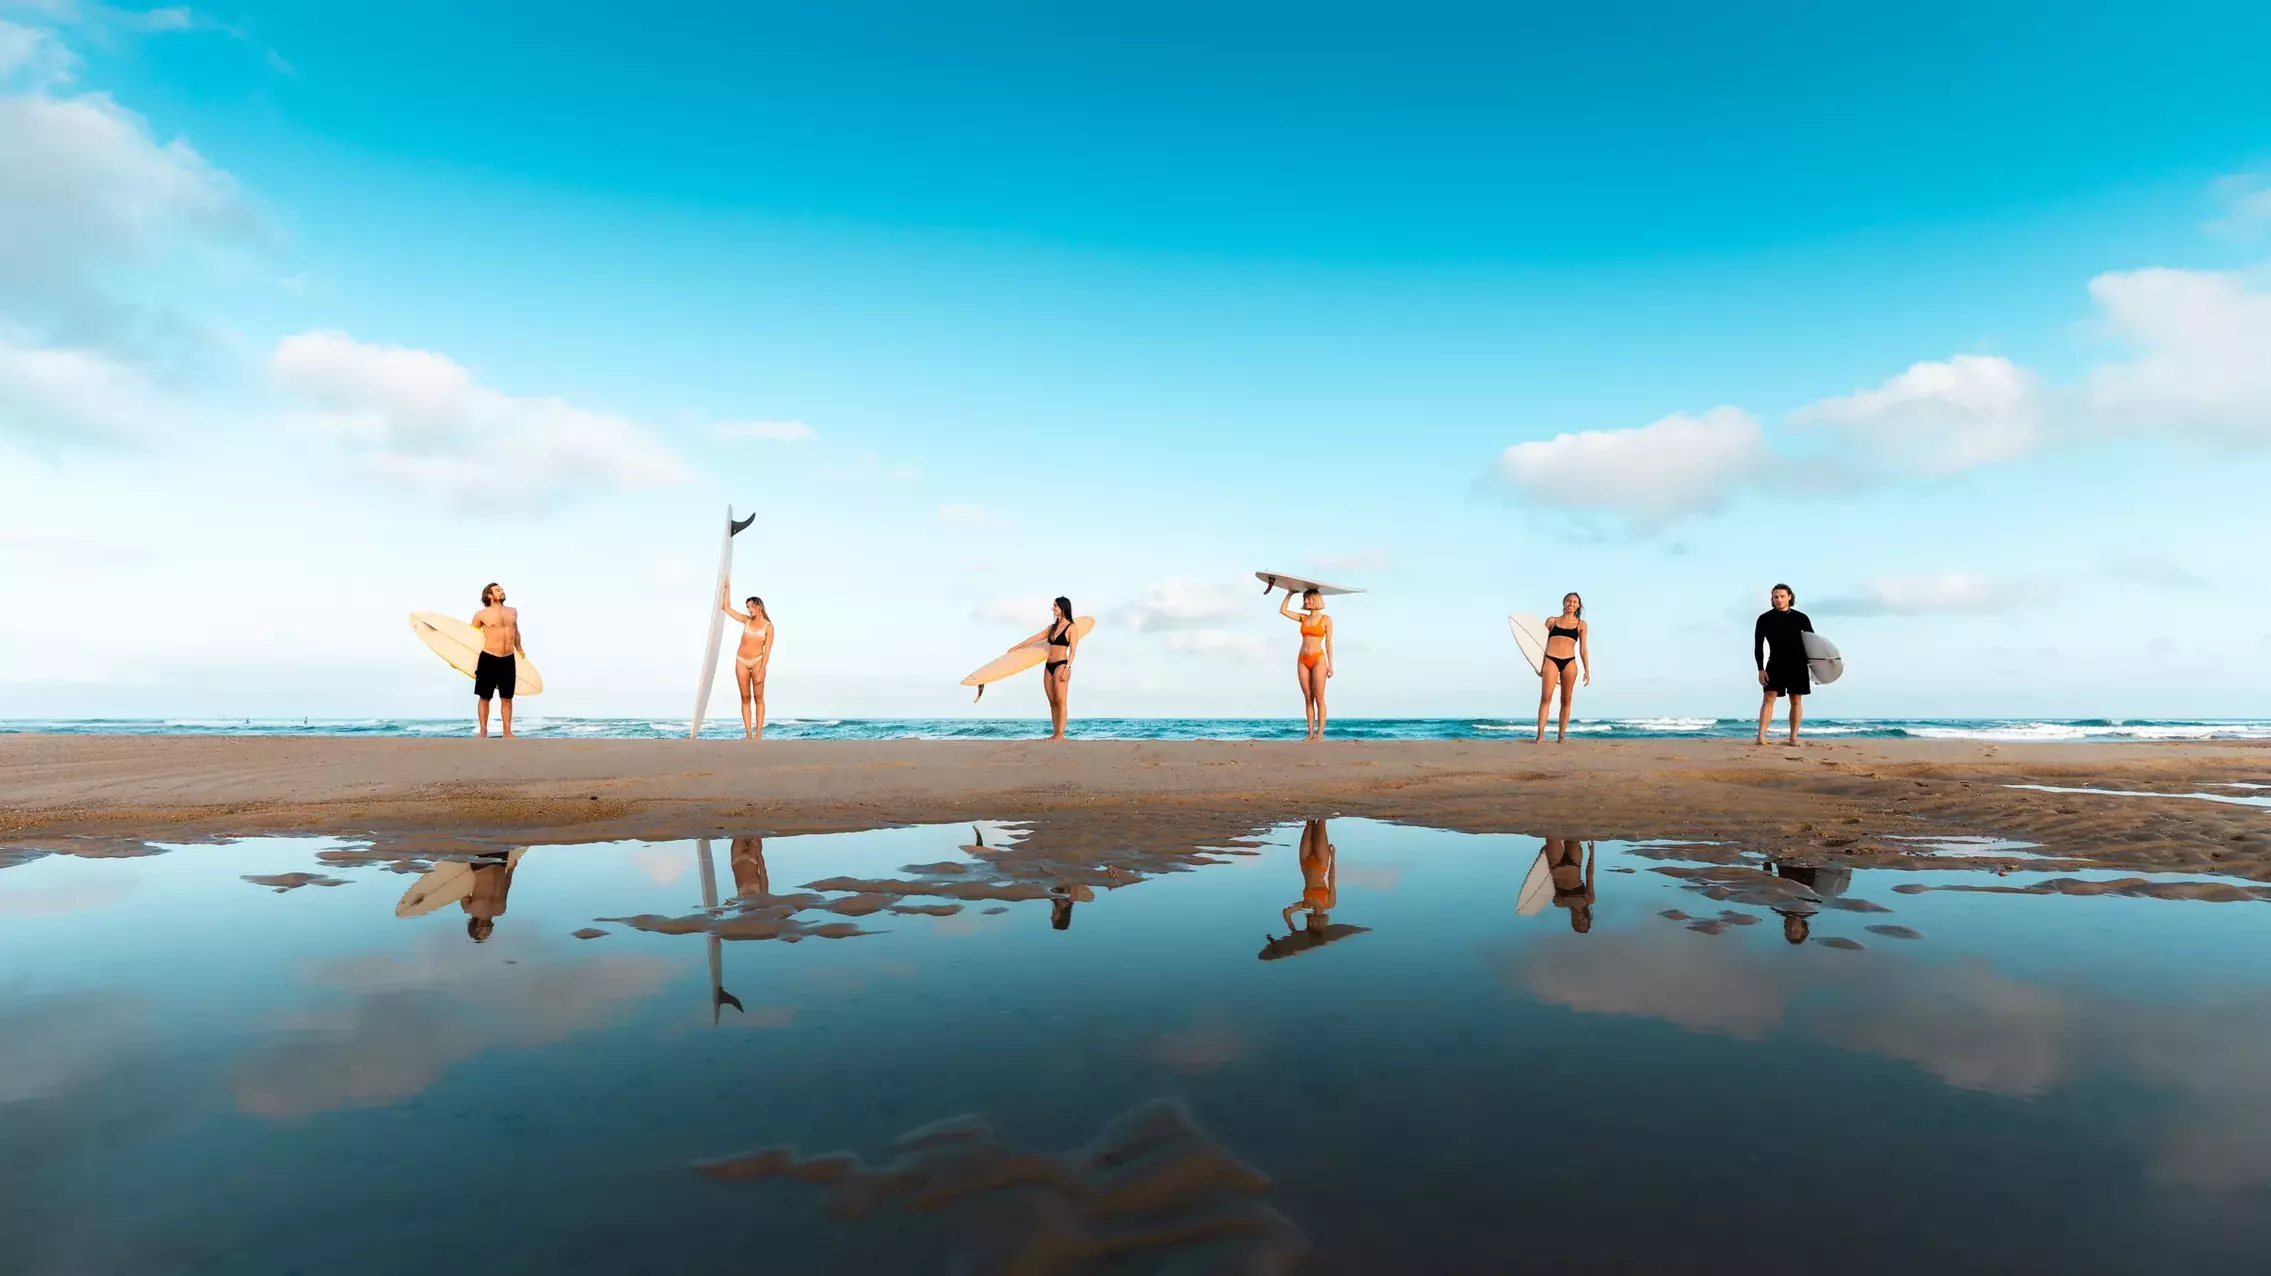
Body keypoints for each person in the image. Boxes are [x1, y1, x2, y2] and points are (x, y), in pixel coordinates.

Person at [1011, 597, 1080, 741]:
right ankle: (1055, 733)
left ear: (1063, 608)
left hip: (1061, 664)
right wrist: (1017, 647)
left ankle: (1060, 735)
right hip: (1048, 666)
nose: (1053, 608)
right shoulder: (1052, 628)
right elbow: (1034, 638)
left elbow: (1073, 650)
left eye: (1055, 606)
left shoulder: (1071, 628)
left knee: (1061, 700)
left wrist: (1068, 667)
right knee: (1052, 701)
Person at [1754, 583, 1814, 746]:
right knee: (1768, 698)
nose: (1778, 599)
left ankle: (1793, 737)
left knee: (1796, 700)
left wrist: (1817, 668)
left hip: (1798, 664)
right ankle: (1761, 736)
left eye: (1782, 596)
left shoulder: (1801, 618)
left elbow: (1813, 643)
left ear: (1790, 597)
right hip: (1775, 663)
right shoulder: (1764, 619)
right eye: (1775, 597)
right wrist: (1760, 669)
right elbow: (1758, 646)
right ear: (1772, 599)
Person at [719, 583, 775, 740]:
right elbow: (727, 608)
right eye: (747, 607)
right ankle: (748, 733)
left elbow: (767, 651)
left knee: (758, 698)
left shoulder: (768, 627)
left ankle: (758, 734)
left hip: (757, 662)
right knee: (745, 698)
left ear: (758, 607)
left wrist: (763, 669)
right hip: (741, 661)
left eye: (750, 607)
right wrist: (727, 589)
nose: (748, 610)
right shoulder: (746, 621)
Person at [1532, 593, 1590, 743]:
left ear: (1578, 606)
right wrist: (1538, 664)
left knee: (1566, 699)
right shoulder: (1552, 621)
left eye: (1574, 602)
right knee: (1546, 697)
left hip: (1569, 662)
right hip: (1551, 660)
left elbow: (1583, 650)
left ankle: (1561, 736)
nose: (1571, 604)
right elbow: (1540, 644)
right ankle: (1540, 736)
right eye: (1568, 601)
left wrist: (1587, 670)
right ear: (1564, 603)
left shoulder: (1581, 625)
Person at [1277, 587, 1334, 741]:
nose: (1306, 601)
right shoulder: (1303, 618)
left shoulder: (1326, 620)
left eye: (1308, 599)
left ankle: (1320, 734)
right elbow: (1283, 610)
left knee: (1319, 697)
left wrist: (1330, 665)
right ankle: (1310, 734)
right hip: (1302, 659)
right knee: (1308, 698)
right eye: (1304, 599)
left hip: (1318, 659)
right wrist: (1290, 593)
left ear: (1316, 600)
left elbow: (1328, 643)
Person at [471, 582, 525, 738]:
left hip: (508, 659)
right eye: (498, 590)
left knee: (507, 698)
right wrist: (458, 659)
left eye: (501, 589)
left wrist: (519, 648)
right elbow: (470, 638)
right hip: (488, 658)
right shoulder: (481, 615)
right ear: (489, 595)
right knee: (485, 697)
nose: (502, 591)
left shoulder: (513, 612)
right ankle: (483, 731)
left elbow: (516, 632)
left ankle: (507, 732)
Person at [461, 850, 517, 942]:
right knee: (500, 837)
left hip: (481, 865)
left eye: (483, 934)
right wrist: (511, 869)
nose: (488, 932)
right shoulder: (501, 910)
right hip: (501, 864)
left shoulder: (469, 909)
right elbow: (506, 886)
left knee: (480, 838)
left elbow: (463, 890)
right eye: (487, 934)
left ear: (476, 929)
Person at [1543, 836, 1595, 933]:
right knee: (1573, 832)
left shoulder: (1560, 903)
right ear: (1587, 919)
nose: (1579, 921)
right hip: (1574, 862)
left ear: (1572, 921)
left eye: (1576, 924)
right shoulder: (1589, 899)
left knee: (1552, 832)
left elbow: (1547, 885)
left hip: (1555, 865)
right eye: (1583, 923)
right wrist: (1592, 852)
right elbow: (1589, 876)